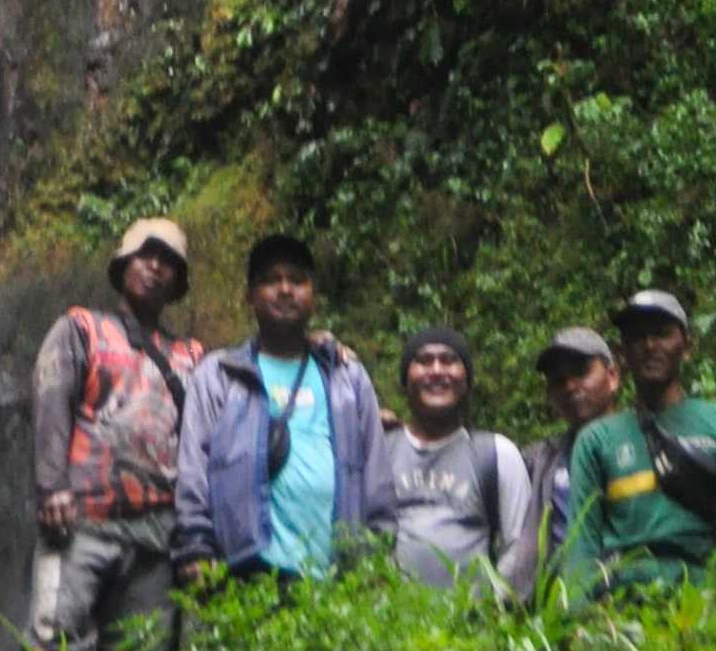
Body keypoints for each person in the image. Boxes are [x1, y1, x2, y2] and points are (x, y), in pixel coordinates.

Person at [28, 215, 206, 651]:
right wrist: (52, 486)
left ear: (179, 280)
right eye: (145, 255)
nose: (155, 267)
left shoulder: (191, 356)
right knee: (55, 642)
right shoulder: (80, 328)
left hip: (156, 536)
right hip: (80, 522)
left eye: (168, 261)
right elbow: (52, 400)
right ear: (123, 265)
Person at [172, 231, 395, 586]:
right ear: (249, 296)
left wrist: (379, 552)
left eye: (297, 280)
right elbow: (193, 468)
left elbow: (376, 471)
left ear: (314, 298)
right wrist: (196, 546)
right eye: (271, 280)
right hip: (244, 570)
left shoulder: (346, 377)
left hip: (338, 576)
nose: (285, 289)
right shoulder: (219, 375)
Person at [560, 288, 716, 602]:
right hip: (622, 600)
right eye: (636, 338)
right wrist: (578, 621)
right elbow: (582, 545)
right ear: (622, 352)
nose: (649, 346)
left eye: (662, 334)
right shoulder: (597, 439)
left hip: (704, 594)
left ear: (687, 347)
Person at [389, 325, 536, 597]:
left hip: (472, 628)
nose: (436, 370)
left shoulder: (496, 453)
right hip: (388, 625)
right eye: (423, 361)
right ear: (405, 379)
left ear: (466, 380)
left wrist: (490, 610)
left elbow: (520, 547)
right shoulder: (379, 451)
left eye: (449, 360)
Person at [521, 322, 620, 590]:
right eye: (558, 381)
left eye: (581, 372)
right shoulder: (539, 460)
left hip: (634, 601)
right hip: (560, 607)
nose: (570, 386)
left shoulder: (646, 444)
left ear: (612, 377)